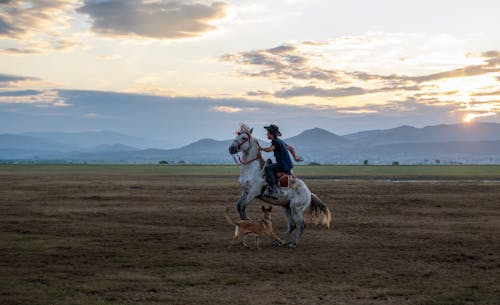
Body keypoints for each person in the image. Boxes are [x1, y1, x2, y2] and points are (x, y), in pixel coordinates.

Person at [257, 124, 303, 199]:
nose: (266, 134)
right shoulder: (280, 141)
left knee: (268, 168)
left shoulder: (275, 141)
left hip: (282, 165)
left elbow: (270, 149)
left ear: (271, 134)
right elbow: (290, 148)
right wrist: (295, 157)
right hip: (288, 165)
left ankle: (273, 190)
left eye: (268, 133)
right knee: (270, 163)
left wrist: (261, 148)